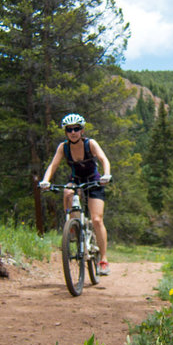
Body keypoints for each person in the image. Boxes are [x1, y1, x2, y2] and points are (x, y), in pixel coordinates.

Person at [39, 113, 112, 275]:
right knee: (67, 192)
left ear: (82, 130)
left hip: (94, 181)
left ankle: (104, 259)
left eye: (76, 129)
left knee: (97, 219)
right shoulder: (63, 147)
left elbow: (103, 159)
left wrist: (106, 175)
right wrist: (45, 181)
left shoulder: (90, 144)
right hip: (76, 179)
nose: (73, 132)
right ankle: (72, 227)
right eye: (69, 129)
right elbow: (53, 166)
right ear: (65, 132)